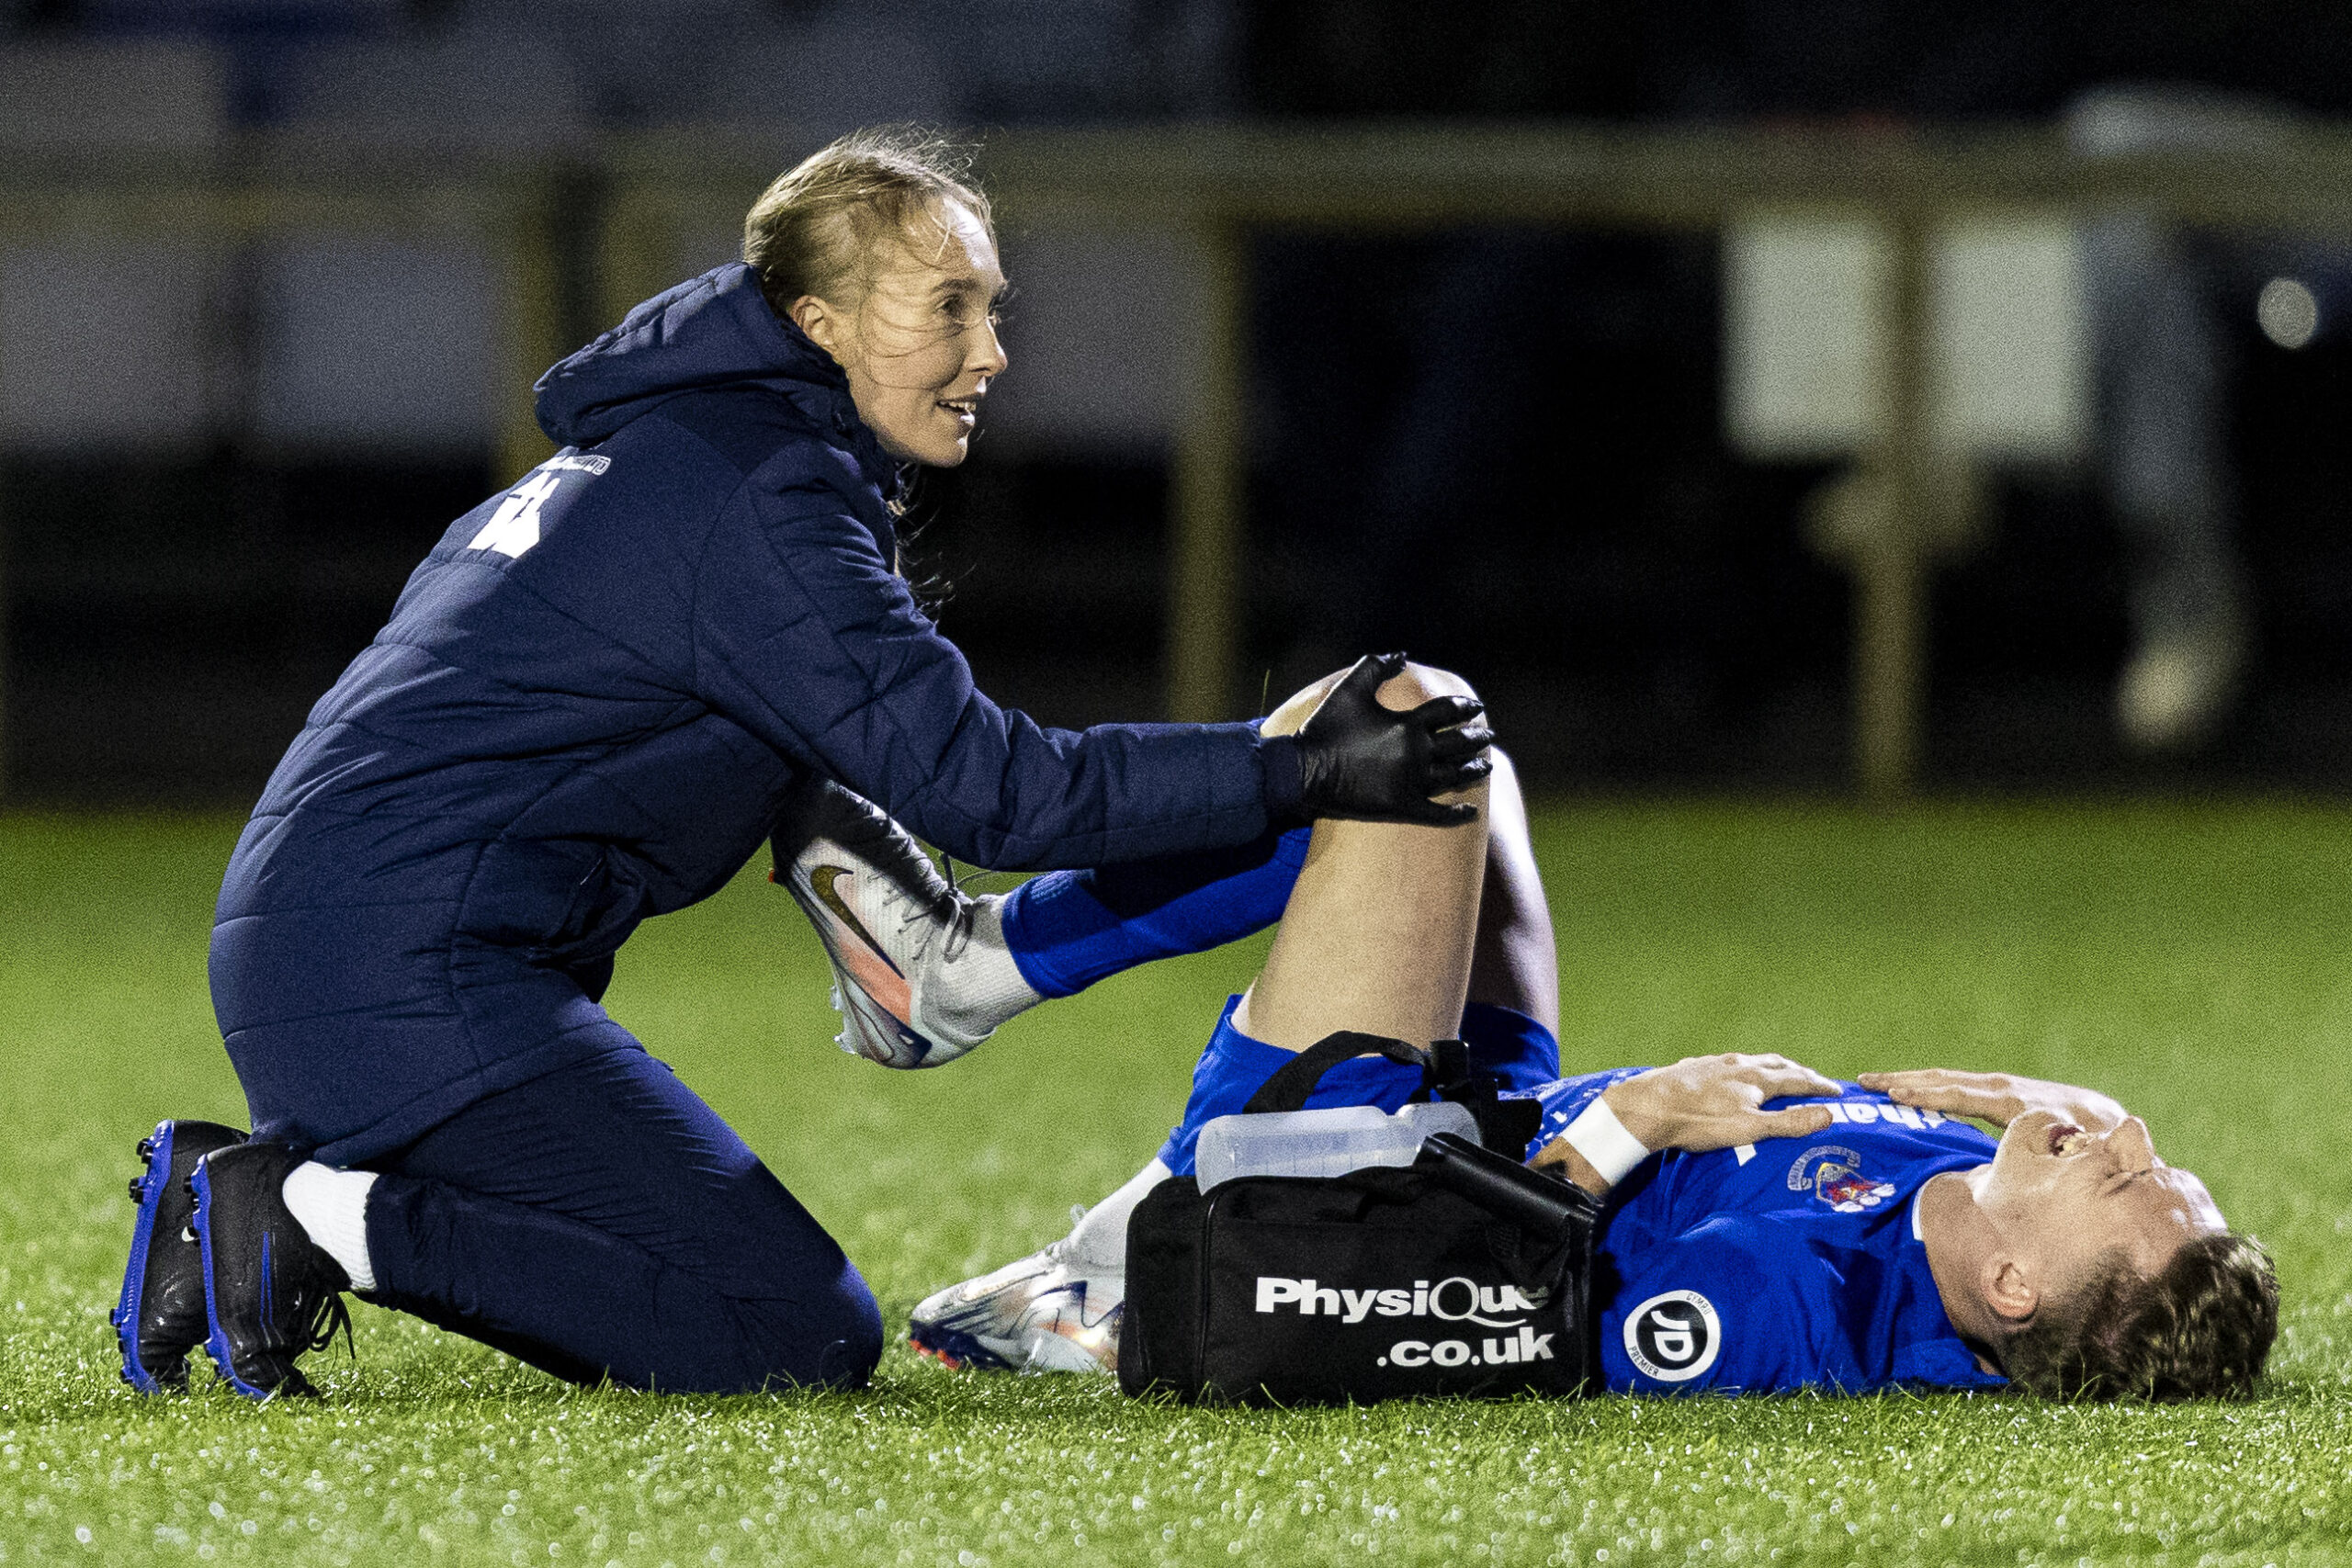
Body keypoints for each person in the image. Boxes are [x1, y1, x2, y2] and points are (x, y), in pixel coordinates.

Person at [108, 128, 1495, 1403]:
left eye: (992, 305)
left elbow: (752, 733)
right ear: (816, 322)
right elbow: (997, 790)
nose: (990, 347)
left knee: (715, 1285)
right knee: (788, 1331)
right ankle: (287, 1213)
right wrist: (1293, 770)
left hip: (355, 956)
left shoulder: (672, 452)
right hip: (402, 982)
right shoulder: (758, 494)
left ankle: (298, 1204)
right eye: (947, 304)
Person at [777, 667, 2278, 1399]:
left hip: (1367, 1186)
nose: (2129, 1135)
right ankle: (1096, 1241)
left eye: (2122, 1179)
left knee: (1401, 730)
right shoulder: (1989, 1227)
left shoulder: (1775, 1307)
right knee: (1462, 768)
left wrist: (1627, 1131)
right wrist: (2068, 1135)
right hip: (1489, 1111)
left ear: (2013, 1285)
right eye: (2162, 1154)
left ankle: (963, 979)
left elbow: (1487, 1310)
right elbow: (2098, 1252)